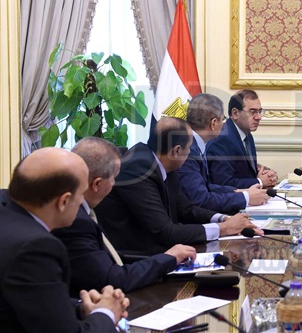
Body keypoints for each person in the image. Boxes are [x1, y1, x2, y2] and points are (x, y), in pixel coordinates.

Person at [0, 148, 129, 332]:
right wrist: (106, 313)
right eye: (81, 194)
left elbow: (28, 296)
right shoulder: (36, 248)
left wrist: (80, 307)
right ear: (64, 201)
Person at [95, 117, 263, 256]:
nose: (190, 152)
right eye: (189, 148)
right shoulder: (139, 170)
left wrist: (223, 219)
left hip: (160, 249)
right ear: (176, 151)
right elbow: (166, 232)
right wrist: (224, 229)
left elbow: (186, 209)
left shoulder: (164, 162)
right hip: (137, 257)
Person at [53, 137, 197, 295]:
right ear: (97, 184)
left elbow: (110, 259)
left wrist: (166, 258)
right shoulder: (75, 221)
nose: (114, 184)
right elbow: (113, 279)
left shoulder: (81, 211)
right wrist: (168, 258)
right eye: (114, 178)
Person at [177, 93, 270, 212]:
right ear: (213, 123)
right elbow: (200, 199)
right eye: (223, 119)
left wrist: (240, 192)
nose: (224, 123)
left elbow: (207, 187)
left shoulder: (195, 144)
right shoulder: (188, 151)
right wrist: (246, 198)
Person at [206, 89, 278, 189]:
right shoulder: (222, 139)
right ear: (235, 113)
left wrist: (267, 175)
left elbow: (244, 172)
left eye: (259, 111)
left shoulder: (247, 135)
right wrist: (260, 182)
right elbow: (223, 183)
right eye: (252, 112)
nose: (258, 117)